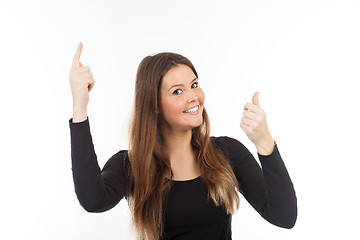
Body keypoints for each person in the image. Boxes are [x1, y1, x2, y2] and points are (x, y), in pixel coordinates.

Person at [68, 42, 297, 240]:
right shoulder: (131, 164)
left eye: (194, 85)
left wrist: (265, 143)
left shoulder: (227, 152)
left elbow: (284, 216)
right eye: (177, 91)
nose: (193, 97)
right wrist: (79, 107)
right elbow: (93, 200)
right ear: (154, 104)